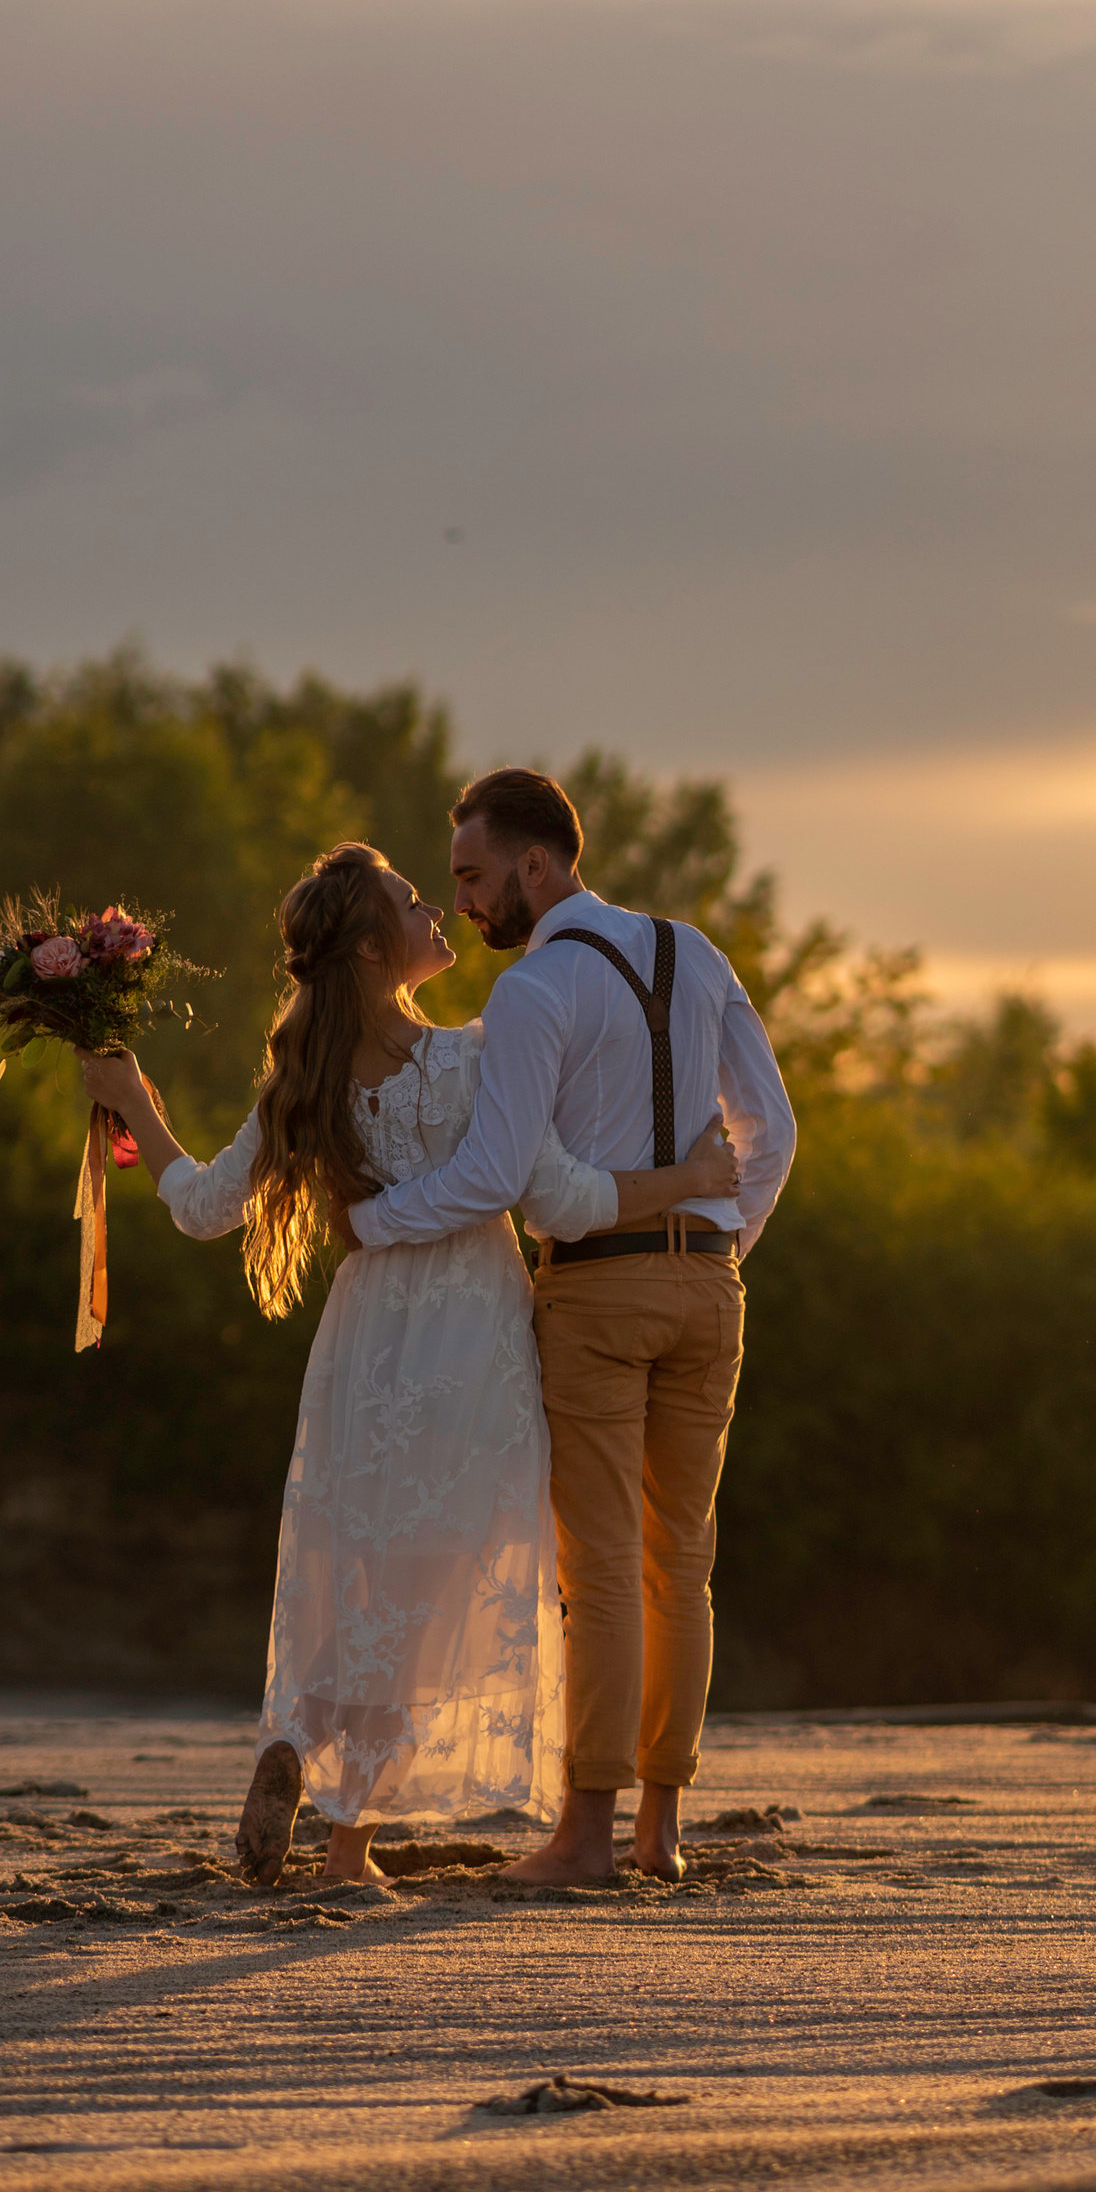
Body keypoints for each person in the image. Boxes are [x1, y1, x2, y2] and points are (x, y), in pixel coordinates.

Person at [78, 842, 738, 1886]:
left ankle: (303, 1738)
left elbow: (203, 1207)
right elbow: (560, 1198)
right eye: (412, 900)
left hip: (367, 1342)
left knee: (366, 1567)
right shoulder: (475, 1059)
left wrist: (133, 1098)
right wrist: (687, 1177)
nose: (437, 909)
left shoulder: (305, 1077)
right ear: (374, 947)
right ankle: (347, 1843)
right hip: (473, 1344)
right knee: (431, 1592)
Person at [342, 771, 796, 1887]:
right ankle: (659, 1830)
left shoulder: (534, 990)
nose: (462, 901)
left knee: (598, 1568)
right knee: (681, 1562)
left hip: (596, 1289)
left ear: (535, 865)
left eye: (471, 876)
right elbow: (773, 1130)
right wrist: (717, 1248)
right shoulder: (697, 953)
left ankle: (584, 1836)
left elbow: (498, 1178)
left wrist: (375, 1221)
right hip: (710, 1290)